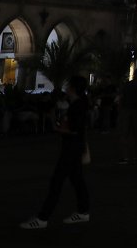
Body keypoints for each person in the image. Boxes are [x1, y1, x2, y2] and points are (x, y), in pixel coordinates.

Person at [19, 75, 91, 229]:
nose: (66, 88)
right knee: (77, 180)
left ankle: (43, 217)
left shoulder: (76, 105)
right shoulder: (82, 103)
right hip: (76, 147)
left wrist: (57, 126)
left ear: (73, 88)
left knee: (57, 182)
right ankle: (83, 211)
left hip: (70, 148)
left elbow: (73, 129)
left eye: (69, 86)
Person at [117, 68, 137, 164]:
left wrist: (120, 110)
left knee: (124, 134)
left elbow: (121, 97)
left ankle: (125, 156)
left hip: (126, 110)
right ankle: (136, 155)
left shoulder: (127, 84)